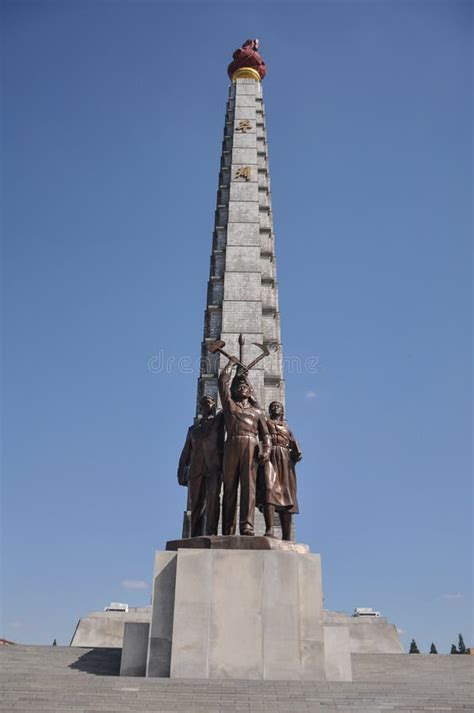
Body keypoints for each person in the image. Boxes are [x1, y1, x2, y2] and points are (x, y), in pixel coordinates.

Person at [218, 361, 271, 535]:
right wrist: (231, 364)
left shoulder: (257, 412)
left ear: (250, 391)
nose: (242, 388)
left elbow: (266, 435)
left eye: (245, 386)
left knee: (249, 488)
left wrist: (266, 450)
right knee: (230, 488)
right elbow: (222, 382)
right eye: (238, 385)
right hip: (232, 443)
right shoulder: (229, 406)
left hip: (251, 445)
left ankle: (247, 525)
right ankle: (228, 527)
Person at [177, 396, 224, 537]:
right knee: (196, 504)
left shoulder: (218, 422)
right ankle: (195, 535)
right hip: (196, 470)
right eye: (203, 404)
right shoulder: (193, 430)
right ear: (200, 407)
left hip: (213, 469)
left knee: (213, 500)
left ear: (214, 406)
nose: (206, 406)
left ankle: (211, 532)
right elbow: (186, 451)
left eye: (209, 403)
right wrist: (181, 469)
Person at [259, 401, 302, 541]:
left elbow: (295, 448)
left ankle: (287, 535)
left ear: (282, 411)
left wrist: (296, 453)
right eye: (272, 406)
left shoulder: (287, 429)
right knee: (269, 489)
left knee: (287, 495)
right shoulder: (265, 423)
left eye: (278, 406)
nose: (275, 408)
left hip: (285, 460)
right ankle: (269, 529)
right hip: (271, 456)